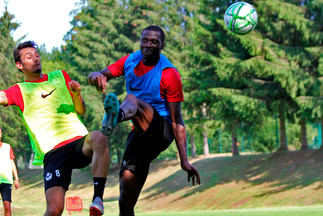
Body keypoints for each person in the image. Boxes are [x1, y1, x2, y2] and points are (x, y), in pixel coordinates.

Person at [88, 25, 201, 216]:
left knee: (131, 99)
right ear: (140, 41)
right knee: (125, 196)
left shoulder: (169, 73)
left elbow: (177, 120)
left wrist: (184, 160)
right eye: (145, 40)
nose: (148, 45)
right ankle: (117, 116)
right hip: (140, 134)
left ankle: (115, 117)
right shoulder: (130, 61)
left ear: (162, 45)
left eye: (154, 42)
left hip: (161, 130)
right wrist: (95, 77)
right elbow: (96, 74)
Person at [0, 41, 109, 216]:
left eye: (37, 54)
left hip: (78, 142)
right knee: (54, 210)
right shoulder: (19, 90)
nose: (36, 58)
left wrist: (76, 94)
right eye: (29, 57)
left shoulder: (60, 76)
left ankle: (97, 200)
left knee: (99, 137)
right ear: (19, 65)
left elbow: (81, 110)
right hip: (53, 152)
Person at [0, 126, 19, 216]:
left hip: (6, 181)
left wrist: (16, 179)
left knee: (7, 206)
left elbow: (12, 162)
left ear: (0, 134)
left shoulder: (7, 147)